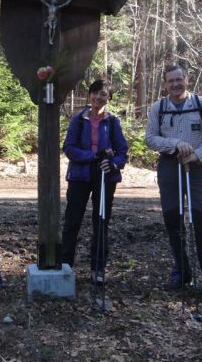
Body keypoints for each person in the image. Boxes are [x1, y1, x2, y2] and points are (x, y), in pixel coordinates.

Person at [145, 65, 202, 304]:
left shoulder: (201, 104)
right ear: (165, 84)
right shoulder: (158, 108)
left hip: (196, 168)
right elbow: (150, 138)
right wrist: (175, 143)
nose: (176, 84)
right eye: (171, 81)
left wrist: (198, 155)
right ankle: (182, 271)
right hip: (169, 167)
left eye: (179, 80)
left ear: (187, 80)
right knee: (173, 220)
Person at [61, 80, 128, 284]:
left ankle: (98, 268)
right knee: (72, 221)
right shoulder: (79, 120)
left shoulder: (113, 122)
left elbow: (122, 151)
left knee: (101, 222)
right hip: (80, 175)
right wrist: (92, 156)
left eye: (103, 95)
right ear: (90, 95)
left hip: (104, 177)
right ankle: (65, 266)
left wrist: (113, 164)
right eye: (95, 93)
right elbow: (69, 147)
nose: (98, 98)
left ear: (108, 98)